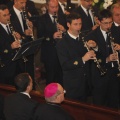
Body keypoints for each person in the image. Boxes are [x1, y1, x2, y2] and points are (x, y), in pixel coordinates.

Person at [56, 13, 96, 102]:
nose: (78, 27)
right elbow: (65, 65)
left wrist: (94, 47)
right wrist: (82, 59)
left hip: (86, 82)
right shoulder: (62, 43)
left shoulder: (83, 38)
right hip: (73, 85)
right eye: (75, 24)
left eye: (80, 24)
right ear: (68, 25)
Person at [86, 9, 119, 109]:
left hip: (115, 75)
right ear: (98, 22)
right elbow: (92, 58)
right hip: (100, 77)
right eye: (105, 23)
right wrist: (107, 59)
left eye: (110, 22)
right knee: (100, 106)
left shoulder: (117, 31)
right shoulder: (91, 35)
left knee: (114, 105)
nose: (108, 26)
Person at [37, 0, 67, 85]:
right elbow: (40, 36)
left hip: (61, 52)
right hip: (49, 53)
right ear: (47, 7)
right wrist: (52, 36)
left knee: (61, 77)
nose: (55, 9)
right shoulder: (42, 19)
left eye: (56, 7)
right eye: (52, 7)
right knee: (51, 78)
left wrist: (64, 30)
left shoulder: (63, 17)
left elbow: (69, 33)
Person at [9, 0, 35, 89]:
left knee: (30, 73)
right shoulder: (9, 14)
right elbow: (12, 34)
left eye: (25, 3)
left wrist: (31, 27)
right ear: (15, 1)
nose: (24, 5)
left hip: (27, 47)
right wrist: (24, 34)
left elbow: (27, 28)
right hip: (18, 51)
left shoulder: (25, 12)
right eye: (21, 3)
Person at [0, 4, 21, 85]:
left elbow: (20, 40)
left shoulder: (13, 24)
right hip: (5, 65)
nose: (8, 17)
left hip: (16, 62)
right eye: (4, 15)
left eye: (8, 14)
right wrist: (11, 47)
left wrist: (19, 38)